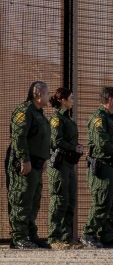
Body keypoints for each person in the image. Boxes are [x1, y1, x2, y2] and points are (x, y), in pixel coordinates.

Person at [5, 80, 51, 249]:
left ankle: (30, 235)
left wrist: (44, 159)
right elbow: (19, 137)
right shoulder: (24, 111)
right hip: (26, 163)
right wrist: (24, 159)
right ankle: (18, 237)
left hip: (37, 164)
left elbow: (41, 139)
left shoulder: (39, 113)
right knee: (21, 199)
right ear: (37, 94)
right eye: (47, 93)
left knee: (33, 201)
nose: (49, 97)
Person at [81, 87, 113, 249]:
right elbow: (102, 142)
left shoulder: (111, 119)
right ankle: (88, 234)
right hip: (103, 166)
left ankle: (107, 235)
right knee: (101, 202)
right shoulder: (98, 118)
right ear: (109, 99)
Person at [47, 87, 84, 249]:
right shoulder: (56, 118)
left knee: (70, 200)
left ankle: (67, 238)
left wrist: (77, 147)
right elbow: (56, 141)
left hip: (69, 164)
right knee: (59, 199)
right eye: (71, 97)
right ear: (62, 100)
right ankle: (54, 238)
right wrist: (72, 147)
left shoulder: (68, 119)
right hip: (59, 165)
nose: (73, 100)